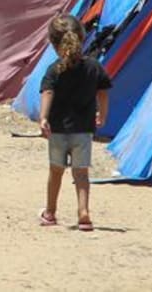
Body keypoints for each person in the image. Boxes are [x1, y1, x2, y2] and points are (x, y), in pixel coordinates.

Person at [38, 14, 110, 232]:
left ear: (53, 43)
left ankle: (50, 212)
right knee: (81, 174)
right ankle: (83, 212)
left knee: (56, 172)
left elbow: (47, 92)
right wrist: (102, 114)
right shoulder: (93, 66)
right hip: (83, 132)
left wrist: (43, 117)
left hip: (58, 131)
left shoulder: (54, 69)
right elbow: (103, 92)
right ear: (82, 37)